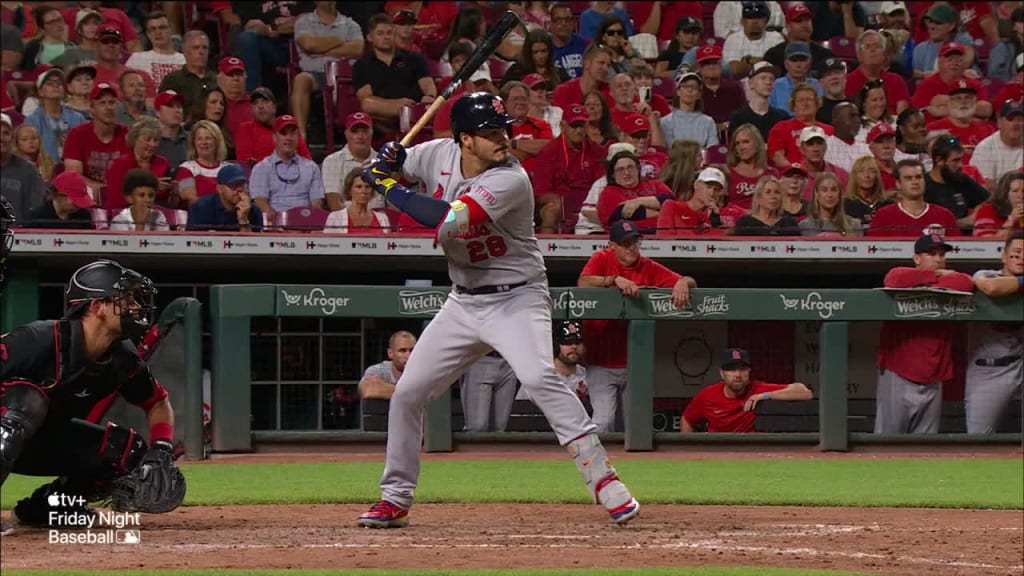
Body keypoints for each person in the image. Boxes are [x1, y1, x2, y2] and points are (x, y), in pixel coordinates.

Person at [357, 92, 640, 528]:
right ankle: (395, 497)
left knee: (539, 376)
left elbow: (449, 219)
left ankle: (605, 480)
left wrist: (387, 184)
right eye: (491, 133)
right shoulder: (437, 153)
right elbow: (400, 159)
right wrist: (389, 157)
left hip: (517, 298)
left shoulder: (512, 179)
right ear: (464, 139)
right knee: (409, 393)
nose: (503, 138)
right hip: (463, 300)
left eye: (504, 130)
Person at [0, 259, 179, 535]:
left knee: (127, 450)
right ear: (97, 307)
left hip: (38, 443)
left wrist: (162, 449)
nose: (135, 307)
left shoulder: (123, 360)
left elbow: (156, 402)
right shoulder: (38, 339)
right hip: (8, 427)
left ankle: (50, 507)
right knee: (27, 400)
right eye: (125, 299)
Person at [578, 220, 697, 433]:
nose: (632, 248)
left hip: (635, 363)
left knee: (636, 427)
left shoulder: (647, 265)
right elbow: (584, 283)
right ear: (612, 245)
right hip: (601, 361)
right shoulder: (601, 259)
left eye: (635, 242)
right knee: (603, 422)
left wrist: (682, 282)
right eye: (626, 243)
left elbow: (689, 281)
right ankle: (597, 463)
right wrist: (614, 280)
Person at [875, 234, 974, 434]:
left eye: (941, 254)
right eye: (931, 254)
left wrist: (934, 278)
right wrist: (935, 276)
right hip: (899, 370)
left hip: (934, 374)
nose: (938, 259)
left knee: (926, 446)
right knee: (887, 443)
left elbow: (966, 283)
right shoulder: (903, 275)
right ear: (917, 258)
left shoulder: (952, 280)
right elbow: (893, 278)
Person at [967, 232, 1024, 433]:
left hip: (1020, 361)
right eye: (1017, 252)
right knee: (979, 436)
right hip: (990, 368)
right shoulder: (986, 274)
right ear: (1004, 256)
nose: (1022, 257)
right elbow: (991, 287)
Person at [681, 348, 812, 433]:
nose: (737, 374)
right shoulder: (707, 395)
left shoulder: (758, 388)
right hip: (718, 450)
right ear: (722, 374)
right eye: (731, 369)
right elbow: (687, 419)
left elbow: (805, 392)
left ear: (749, 371)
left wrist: (766, 396)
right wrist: (687, 452)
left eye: (742, 369)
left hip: (750, 450)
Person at [186, 163, 260, 232]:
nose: (239, 189)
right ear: (219, 189)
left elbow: (254, 244)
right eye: (233, 185)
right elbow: (192, 243)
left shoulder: (253, 210)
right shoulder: (201, 207)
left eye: (242, 184)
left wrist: (243, 220)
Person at [656, 166, 722, 236]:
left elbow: (716, 244)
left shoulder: (713, 216)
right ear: (696, 185)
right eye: (708, 187)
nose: (712, 193)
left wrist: (715, 220)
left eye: (716, 190)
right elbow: (664, 239)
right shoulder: (672, 207)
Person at [24, 170, 95, 229]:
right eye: (75, 202)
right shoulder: (37, 218)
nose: (79, 206)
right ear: (58, 195)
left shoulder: (84, 216)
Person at [799, 172, 863, 237]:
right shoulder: (804, 226)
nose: (829, 195)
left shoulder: (854, 225)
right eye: (824, 190)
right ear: (817, 193)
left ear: (839, 194)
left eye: (834, 190)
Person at [358, 331, 417, 400]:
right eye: (402, 351)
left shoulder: (423, 372)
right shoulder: (378, 370)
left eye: (413, 350)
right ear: (390, 353)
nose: (409, 355)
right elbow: (367, 390)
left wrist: (384, 387)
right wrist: (412, 393)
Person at [973, 172, 1024, 238]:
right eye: (1015, 191)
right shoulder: (987, 210)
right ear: (1005, 194)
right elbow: (987, 244)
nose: (1021, 196)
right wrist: (1011, 219)